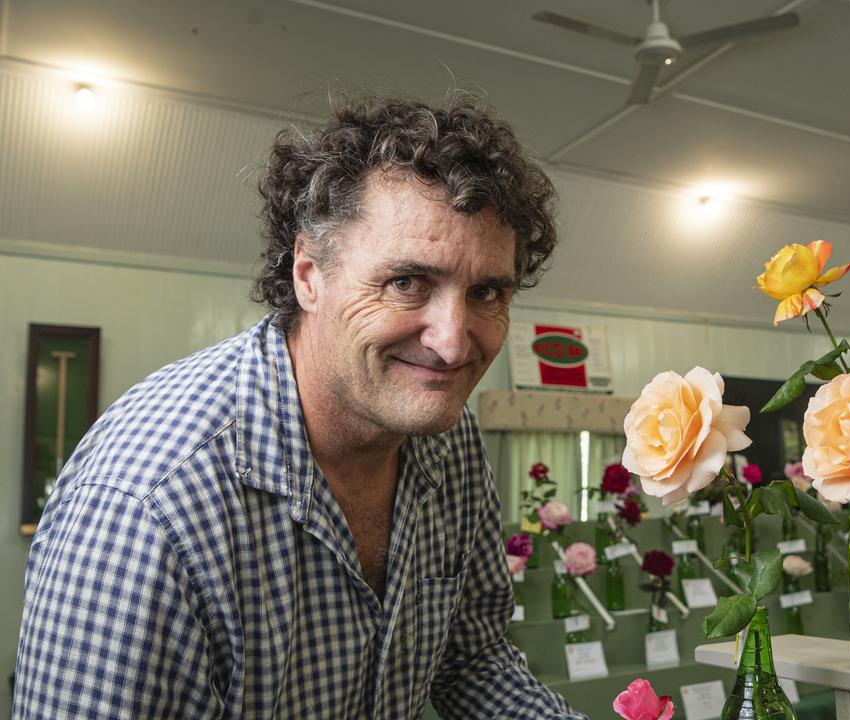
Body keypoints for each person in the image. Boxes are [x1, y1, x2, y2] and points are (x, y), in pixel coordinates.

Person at [13, 96, 585, 719]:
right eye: (406, 283)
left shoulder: (446, 436)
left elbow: (471, 663)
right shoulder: (150, 505)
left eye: (486, 293)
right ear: (308, 274)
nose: (452, 343)